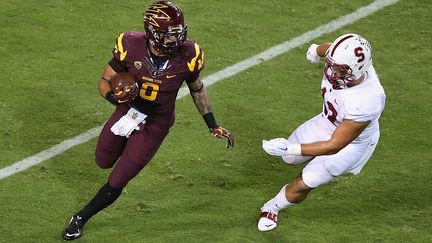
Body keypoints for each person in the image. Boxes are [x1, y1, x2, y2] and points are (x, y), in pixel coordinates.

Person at [62, 1, 234, 240]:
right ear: (152, 32)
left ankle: (80, 217)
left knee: (119, 178)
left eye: (178, 33)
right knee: (103, 161)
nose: (176, 40)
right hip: (127, 113)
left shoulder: (189, 54)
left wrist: (212, 124)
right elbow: (104, 81)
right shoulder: (130, 44)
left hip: (155, 124)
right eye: (169, 35)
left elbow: (198, 89)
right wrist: (115, 98)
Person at [257, 33, 386, 231]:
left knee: (305, 181)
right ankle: (307, 156)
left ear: (357, 69)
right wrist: (316, 50)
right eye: (331, 64)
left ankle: (271, 207)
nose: (332, 71)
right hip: (327, 121)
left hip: (351, 144)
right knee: (289, 159)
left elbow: (334, 145)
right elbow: (329, 50)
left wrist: (289, 146)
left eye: (339, 69)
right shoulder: (341, 61)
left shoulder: (366, 101)